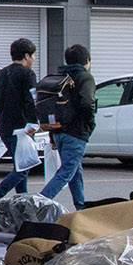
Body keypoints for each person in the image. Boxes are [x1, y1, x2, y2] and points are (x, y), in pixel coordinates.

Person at [0, 38, 38, 210]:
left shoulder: (0, 74)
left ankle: (22, 202)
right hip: (22, 127)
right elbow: (31, 100)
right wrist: (33, 122)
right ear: (27, 56)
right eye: (33, 55)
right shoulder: (27, 74)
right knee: (25, 167)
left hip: (4, 126)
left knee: (20, 164)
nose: (34, 59)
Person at [40, 43, 97, 209]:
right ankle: (38, 203)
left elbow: (52, 106)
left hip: (58, 132)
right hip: (76, 132)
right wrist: (90, 123)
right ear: (86, 60)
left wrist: (52, 135)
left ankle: (80, 207)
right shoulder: (85, 77)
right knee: (66, 172)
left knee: (75, 172)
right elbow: (87, 103)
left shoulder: (60, 76)